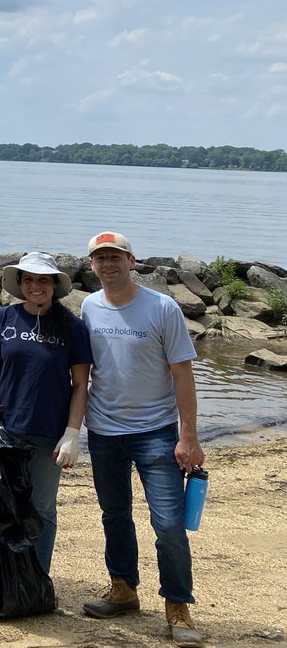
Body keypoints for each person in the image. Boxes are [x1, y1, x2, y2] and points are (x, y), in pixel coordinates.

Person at [78, 232, 205, 648]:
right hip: (104, 431)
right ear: (92, 265)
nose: (108, 264)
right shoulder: (88, 306)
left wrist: (189, 437)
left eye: (115, 256)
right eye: (100, 258)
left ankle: (177, 604)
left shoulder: (162, 307)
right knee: (114, 516)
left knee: (168, 525)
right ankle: (123, 588)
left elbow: (183, 375)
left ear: (132, 261)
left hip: (156, 433)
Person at [0, 251, 92, 573]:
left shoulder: (73, 327)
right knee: (5, 505)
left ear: (54, 284)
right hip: (7, 430)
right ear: (20, 284)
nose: (35, 286)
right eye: (28, 279)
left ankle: (37, 578)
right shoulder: (3, 318)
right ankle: (3, 577)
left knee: (42, 508)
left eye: (42, 279)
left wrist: (73, 433)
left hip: (49, 433)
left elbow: (80, 385)